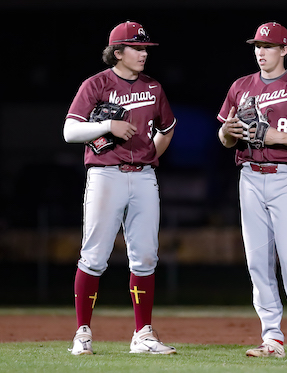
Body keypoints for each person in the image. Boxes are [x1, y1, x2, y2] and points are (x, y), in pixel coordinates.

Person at [217, 21, 287, 361]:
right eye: (257, 46)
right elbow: (224, 138)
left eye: (268, 46)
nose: (261, 52)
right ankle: (272, 339)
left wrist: (277, 138)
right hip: (249, 176)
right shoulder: (241, 86)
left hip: (284, 177)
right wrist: (229, 132)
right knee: (257, 262)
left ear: (284, 49)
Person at [63, 21, 176, 355]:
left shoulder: (154, 87)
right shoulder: (96, 84)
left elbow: (167, 128)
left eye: (145, 49)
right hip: (105, 174)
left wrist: (149, 155)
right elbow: (70, 131)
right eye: (137, 48)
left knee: (145, 256)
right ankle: (82, 333)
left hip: (142, 176)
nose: (143, 54)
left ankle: (143, 335)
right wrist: (106, 125)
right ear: (118, 51)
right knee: (95, 254)